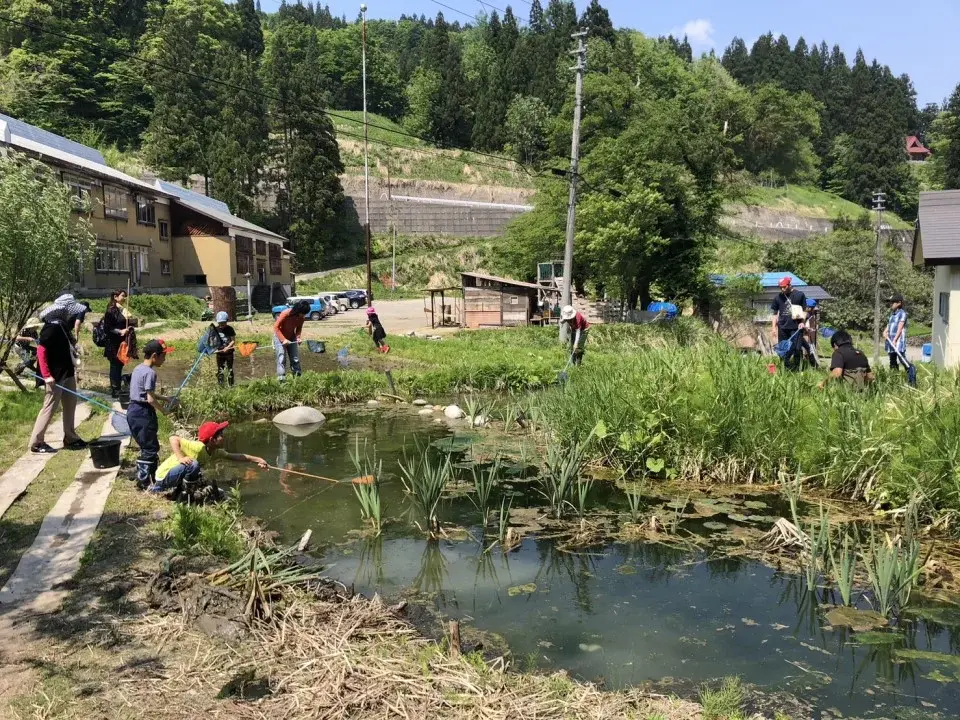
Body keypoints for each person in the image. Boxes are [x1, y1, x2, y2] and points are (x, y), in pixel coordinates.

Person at [149, 421, 268, 498]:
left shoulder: (215, 451)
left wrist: (257, 459)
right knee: (193, 465)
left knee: (201, 475)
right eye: (221, 434)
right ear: (212, 440)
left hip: (176, 476)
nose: (224, 436)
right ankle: (160, 490)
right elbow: (173, 438)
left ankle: (184, 492)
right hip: (164, 476)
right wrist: (180, 457)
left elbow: (236, 456)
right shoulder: (198, 447)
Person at [29, 317, 87, 453]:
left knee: (70, 404)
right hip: (54, 376)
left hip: (67, 372)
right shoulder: (51, 327)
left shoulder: (63, 326)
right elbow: (41, 350)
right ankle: (36, 443)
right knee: (49, 407)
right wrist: (46, 375)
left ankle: (70, 437)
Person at [127, 339, 175, 489]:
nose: (165, 359)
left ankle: (149, 477)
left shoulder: (138, 368)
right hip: (143, 412)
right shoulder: (150, 373)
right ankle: (145, 482)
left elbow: (144, 393)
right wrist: (164, 410)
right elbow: (150, 399)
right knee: (150, 447)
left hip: (133, 410)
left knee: (145, 444)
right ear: (155, 355)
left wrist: (165, 398)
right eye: (163, 356)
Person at [770, 277, 808, 371]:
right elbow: (775, 314)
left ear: (789, 284)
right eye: (780, 287)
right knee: (783, 349)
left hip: (796, 327)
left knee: (797, 349)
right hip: (782, 327)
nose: (782, 289)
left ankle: (797, 369)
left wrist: (802, 322)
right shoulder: (778, 297)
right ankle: (785, 368)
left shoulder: (800, 295)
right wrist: (773, 328)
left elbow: (805, 310)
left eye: (784, 287)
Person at [103, 289, 134, 397]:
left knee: (119, 364)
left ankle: (118, 388)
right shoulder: (111, 310)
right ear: (115, 297)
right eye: (122, 296)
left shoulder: (122, 310)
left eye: (125, 296)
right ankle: (115, 391)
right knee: (115, 366)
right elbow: (107, 328)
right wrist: (120, 331)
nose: (125, 298)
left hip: (121, 343)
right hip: (113, 343)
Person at [273, 299, 309, 381]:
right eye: (303, 313)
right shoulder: (286, 313)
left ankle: (297, 377)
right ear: (298, 310)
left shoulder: (301, 318)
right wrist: (283, 340)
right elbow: (276, 327)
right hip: (280, 337)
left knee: (295, 358)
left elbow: (299, 328)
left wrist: (298, 337)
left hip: (291, 337)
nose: (304, 315)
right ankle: (281, 379)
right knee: (281, 357)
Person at [883, 293, 908, 371]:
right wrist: (885, 331)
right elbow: (889, 325)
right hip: (891, 340)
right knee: (892, 361)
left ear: (899, 303)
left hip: (898, 341)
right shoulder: (892, 314)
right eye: (890, 302)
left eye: (892, 302)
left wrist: (895, 340)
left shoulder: (902, 314)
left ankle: (911, 375)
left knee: (902, 359)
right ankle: (894, 377)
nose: (891, 304)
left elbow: (900, 328)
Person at [212, 311, 237, 386]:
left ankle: (231, 385)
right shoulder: (215, 329)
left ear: (227, 321)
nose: (221, 325)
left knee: (230, 369)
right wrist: (214, 348)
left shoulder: (230, 329)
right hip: (219, 353)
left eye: (223, 323)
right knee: (220, 369)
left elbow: (233, 341)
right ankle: (221, 385)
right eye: (220, 323)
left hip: (229, 353)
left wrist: (227, 347)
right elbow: (213, 341)